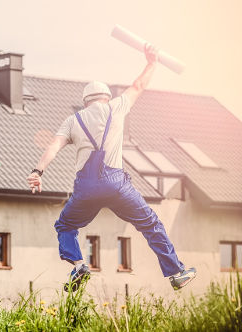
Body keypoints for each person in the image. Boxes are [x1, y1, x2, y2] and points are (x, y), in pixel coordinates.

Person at [26, 44, 196, 292]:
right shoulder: (116, 107)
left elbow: (53, 146)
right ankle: (176, 273)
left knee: (65, 225)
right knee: (150, 225)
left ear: (85, 102)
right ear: (106, 97)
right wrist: (152, 62)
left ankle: (79, 265)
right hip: (117, 186)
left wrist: (38, 172)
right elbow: (138, 86)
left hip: (86, 189)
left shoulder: (73, 120)